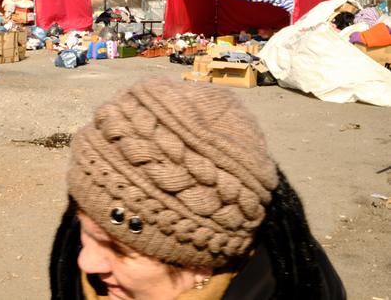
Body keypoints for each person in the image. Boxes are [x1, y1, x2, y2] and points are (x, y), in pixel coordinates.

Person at [50, 78, 345, 300]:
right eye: (85, 229)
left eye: (119, 249)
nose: (85, 261)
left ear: (200, 266)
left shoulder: (299, 281)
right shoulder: (81, 269)